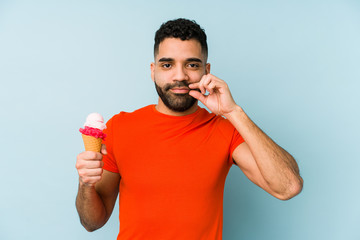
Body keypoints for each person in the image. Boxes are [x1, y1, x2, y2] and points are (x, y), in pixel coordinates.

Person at [75, 18, 303, 239]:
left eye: (192, 65)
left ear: (207, 71)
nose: (180, 76)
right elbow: (92, 222)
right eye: (167, 65)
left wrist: (233, 112)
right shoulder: (119, 127)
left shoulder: (224, 130)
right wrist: (85, 184)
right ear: (153, 71)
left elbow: (288, 187)